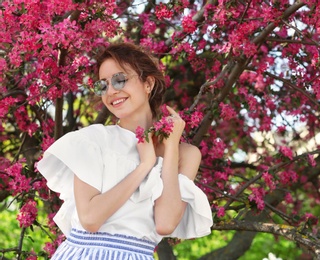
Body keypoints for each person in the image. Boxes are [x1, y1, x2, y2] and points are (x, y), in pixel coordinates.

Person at [37, 42, 213, 259]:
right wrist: (144, 166)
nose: (111, 91)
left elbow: (165, 223)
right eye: (103, 85)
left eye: (120, 80)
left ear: (148, 83)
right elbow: (90, 219)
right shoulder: (93, 140)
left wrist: (170, 148)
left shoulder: (186, 154)